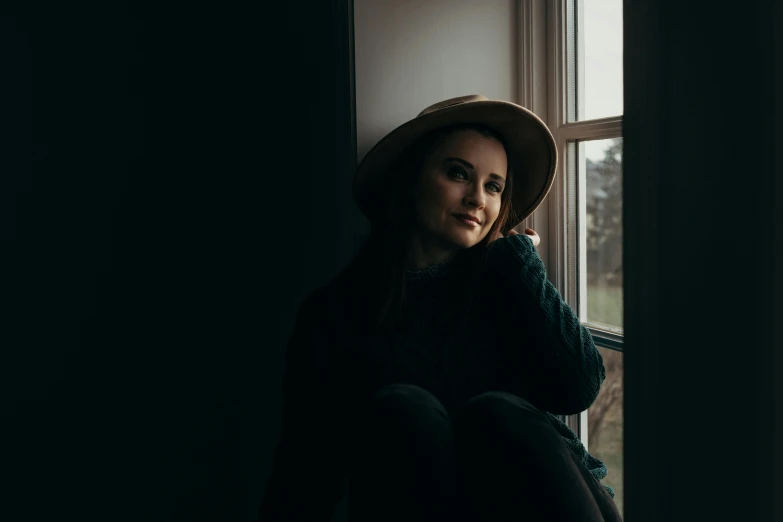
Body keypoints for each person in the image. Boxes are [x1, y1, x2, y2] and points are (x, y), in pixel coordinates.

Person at [258, 94, 622, 522]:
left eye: (494, 186)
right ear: (411, 178)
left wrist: (519, 262)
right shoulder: (335, 314)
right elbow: (305, 471)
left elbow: (578, 388)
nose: (477, 200)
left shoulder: (507, 282)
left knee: (496, 412)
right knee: (405, 409)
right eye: (457, 174)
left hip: (547, 506)